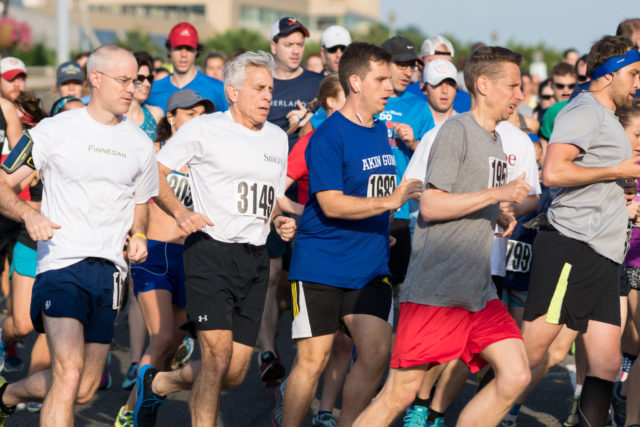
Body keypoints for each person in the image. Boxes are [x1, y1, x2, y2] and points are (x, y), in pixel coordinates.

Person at [354, 46, 532, 427]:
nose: (520, 95)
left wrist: (496, 212)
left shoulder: (496, 140)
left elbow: (465, 198)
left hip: (477, 291)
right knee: (398, 395)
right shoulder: (456, 131)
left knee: (516, 374)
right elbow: (432, 205)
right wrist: (497, 195)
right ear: (484, 85)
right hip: (438, 291)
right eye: (513, 86)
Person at [130, 51, 296, 427]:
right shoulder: (204, 128)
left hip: (254, 258)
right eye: (259, 88)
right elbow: (153, 172)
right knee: (217, 359)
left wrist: (280, 220)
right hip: (210, 253)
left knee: (233, 373)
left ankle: (157, 385)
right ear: (233, 91)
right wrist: (181, 212)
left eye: (270, 88)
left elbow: (263, 199)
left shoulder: (276, 138)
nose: (268, 96)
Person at [0, 44, 158, 426]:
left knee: (84, 387)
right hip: (61, 264)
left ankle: (7, 394)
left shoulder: (139, 142)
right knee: (68, 372)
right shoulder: (53, 131)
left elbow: (142, 202)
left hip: (111, 273)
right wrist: (26, 212)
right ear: (96, 79)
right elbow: (3, 183)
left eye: (135, 80)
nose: (131, 88)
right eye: (123, 80)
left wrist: (139, 234)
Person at [276, 42, 423, 427]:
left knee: (376, 352)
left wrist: (379, 229)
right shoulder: (328, 136)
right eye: (381, 80)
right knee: (312, 362)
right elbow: (332, 204)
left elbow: (367, 193)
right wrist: (390, 201)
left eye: (390, 79)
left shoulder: (380, 132)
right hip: (321, 266)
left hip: (370, 265)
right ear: (356, 82)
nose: (390, 87)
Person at [521, 35, 640, 426]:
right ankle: (480, 414)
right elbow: (553, 171)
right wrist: (618, 172)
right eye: (633, 74)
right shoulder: (584, 110)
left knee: (605, 364)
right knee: (529, 356)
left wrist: (618, 194)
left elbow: (591, 176)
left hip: (605, 256)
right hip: (572, 248)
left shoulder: (607, 118)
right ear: (607, 76)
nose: (637, 83)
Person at [115, 88, 215, 427]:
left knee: (170, 347)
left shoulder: (208, 161)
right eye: (189, 113)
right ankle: (129, 414)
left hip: (191, 258)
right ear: (170, 118)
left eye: (202, 114)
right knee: (163, 338)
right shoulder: (152, 153)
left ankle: (146, 400)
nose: (196, 120)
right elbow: (129, 199)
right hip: (154, 254)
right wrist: (131, 236)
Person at [257, 17, 324, 388]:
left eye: (300, 43)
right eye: (288, 43)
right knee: (269, 275)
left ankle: (305, 358)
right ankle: (268, 353)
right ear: (274, 46)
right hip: (265, 189)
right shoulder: (260, 81)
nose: (295, 49)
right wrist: (291, 129)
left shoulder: (316, 85)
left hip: (303, 193)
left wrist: (309, 129)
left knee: (299, 279)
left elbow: (330, 134)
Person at [378, 36, 434, 288]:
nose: (408, 71)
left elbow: (435, 156)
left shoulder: (419, 107)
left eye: (412, 66)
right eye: (401, 64)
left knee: (396, 283)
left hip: (399, 207)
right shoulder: (365, 96)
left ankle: (391, 329)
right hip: (364, 202)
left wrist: (413, 143)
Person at [146, 22, 227, 114]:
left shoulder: (217, 89)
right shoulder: (152, 90)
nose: (183, 54)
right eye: (178, 48)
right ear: (169, 50)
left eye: (189, 48)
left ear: (196, 51)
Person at [124, 51, 164, 141]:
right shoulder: (114, 116)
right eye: (140, 78)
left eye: (149, 78)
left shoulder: (156, 115)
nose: (147, 84)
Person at [422, 59, 458, 125]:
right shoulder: (412, 123)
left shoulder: (467, 126)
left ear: (456, 89)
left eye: (450, 84)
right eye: (438, 84)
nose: (444, 91)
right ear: (424, 88)